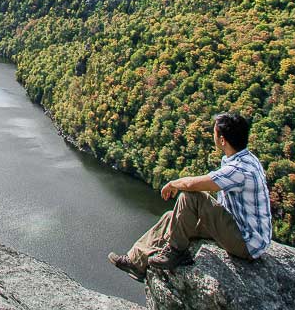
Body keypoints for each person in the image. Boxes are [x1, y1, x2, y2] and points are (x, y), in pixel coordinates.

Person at [107, 111, 272, 282]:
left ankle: (176, 252)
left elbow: (192, 185)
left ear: (222, 140)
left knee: (190, 197)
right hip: (237, 225)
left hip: (245, 241)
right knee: (171, 217)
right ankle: (136, 262)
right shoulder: (246, 159)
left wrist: (172, 184)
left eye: (214, 132)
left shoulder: (239, 170)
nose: (212, 135)